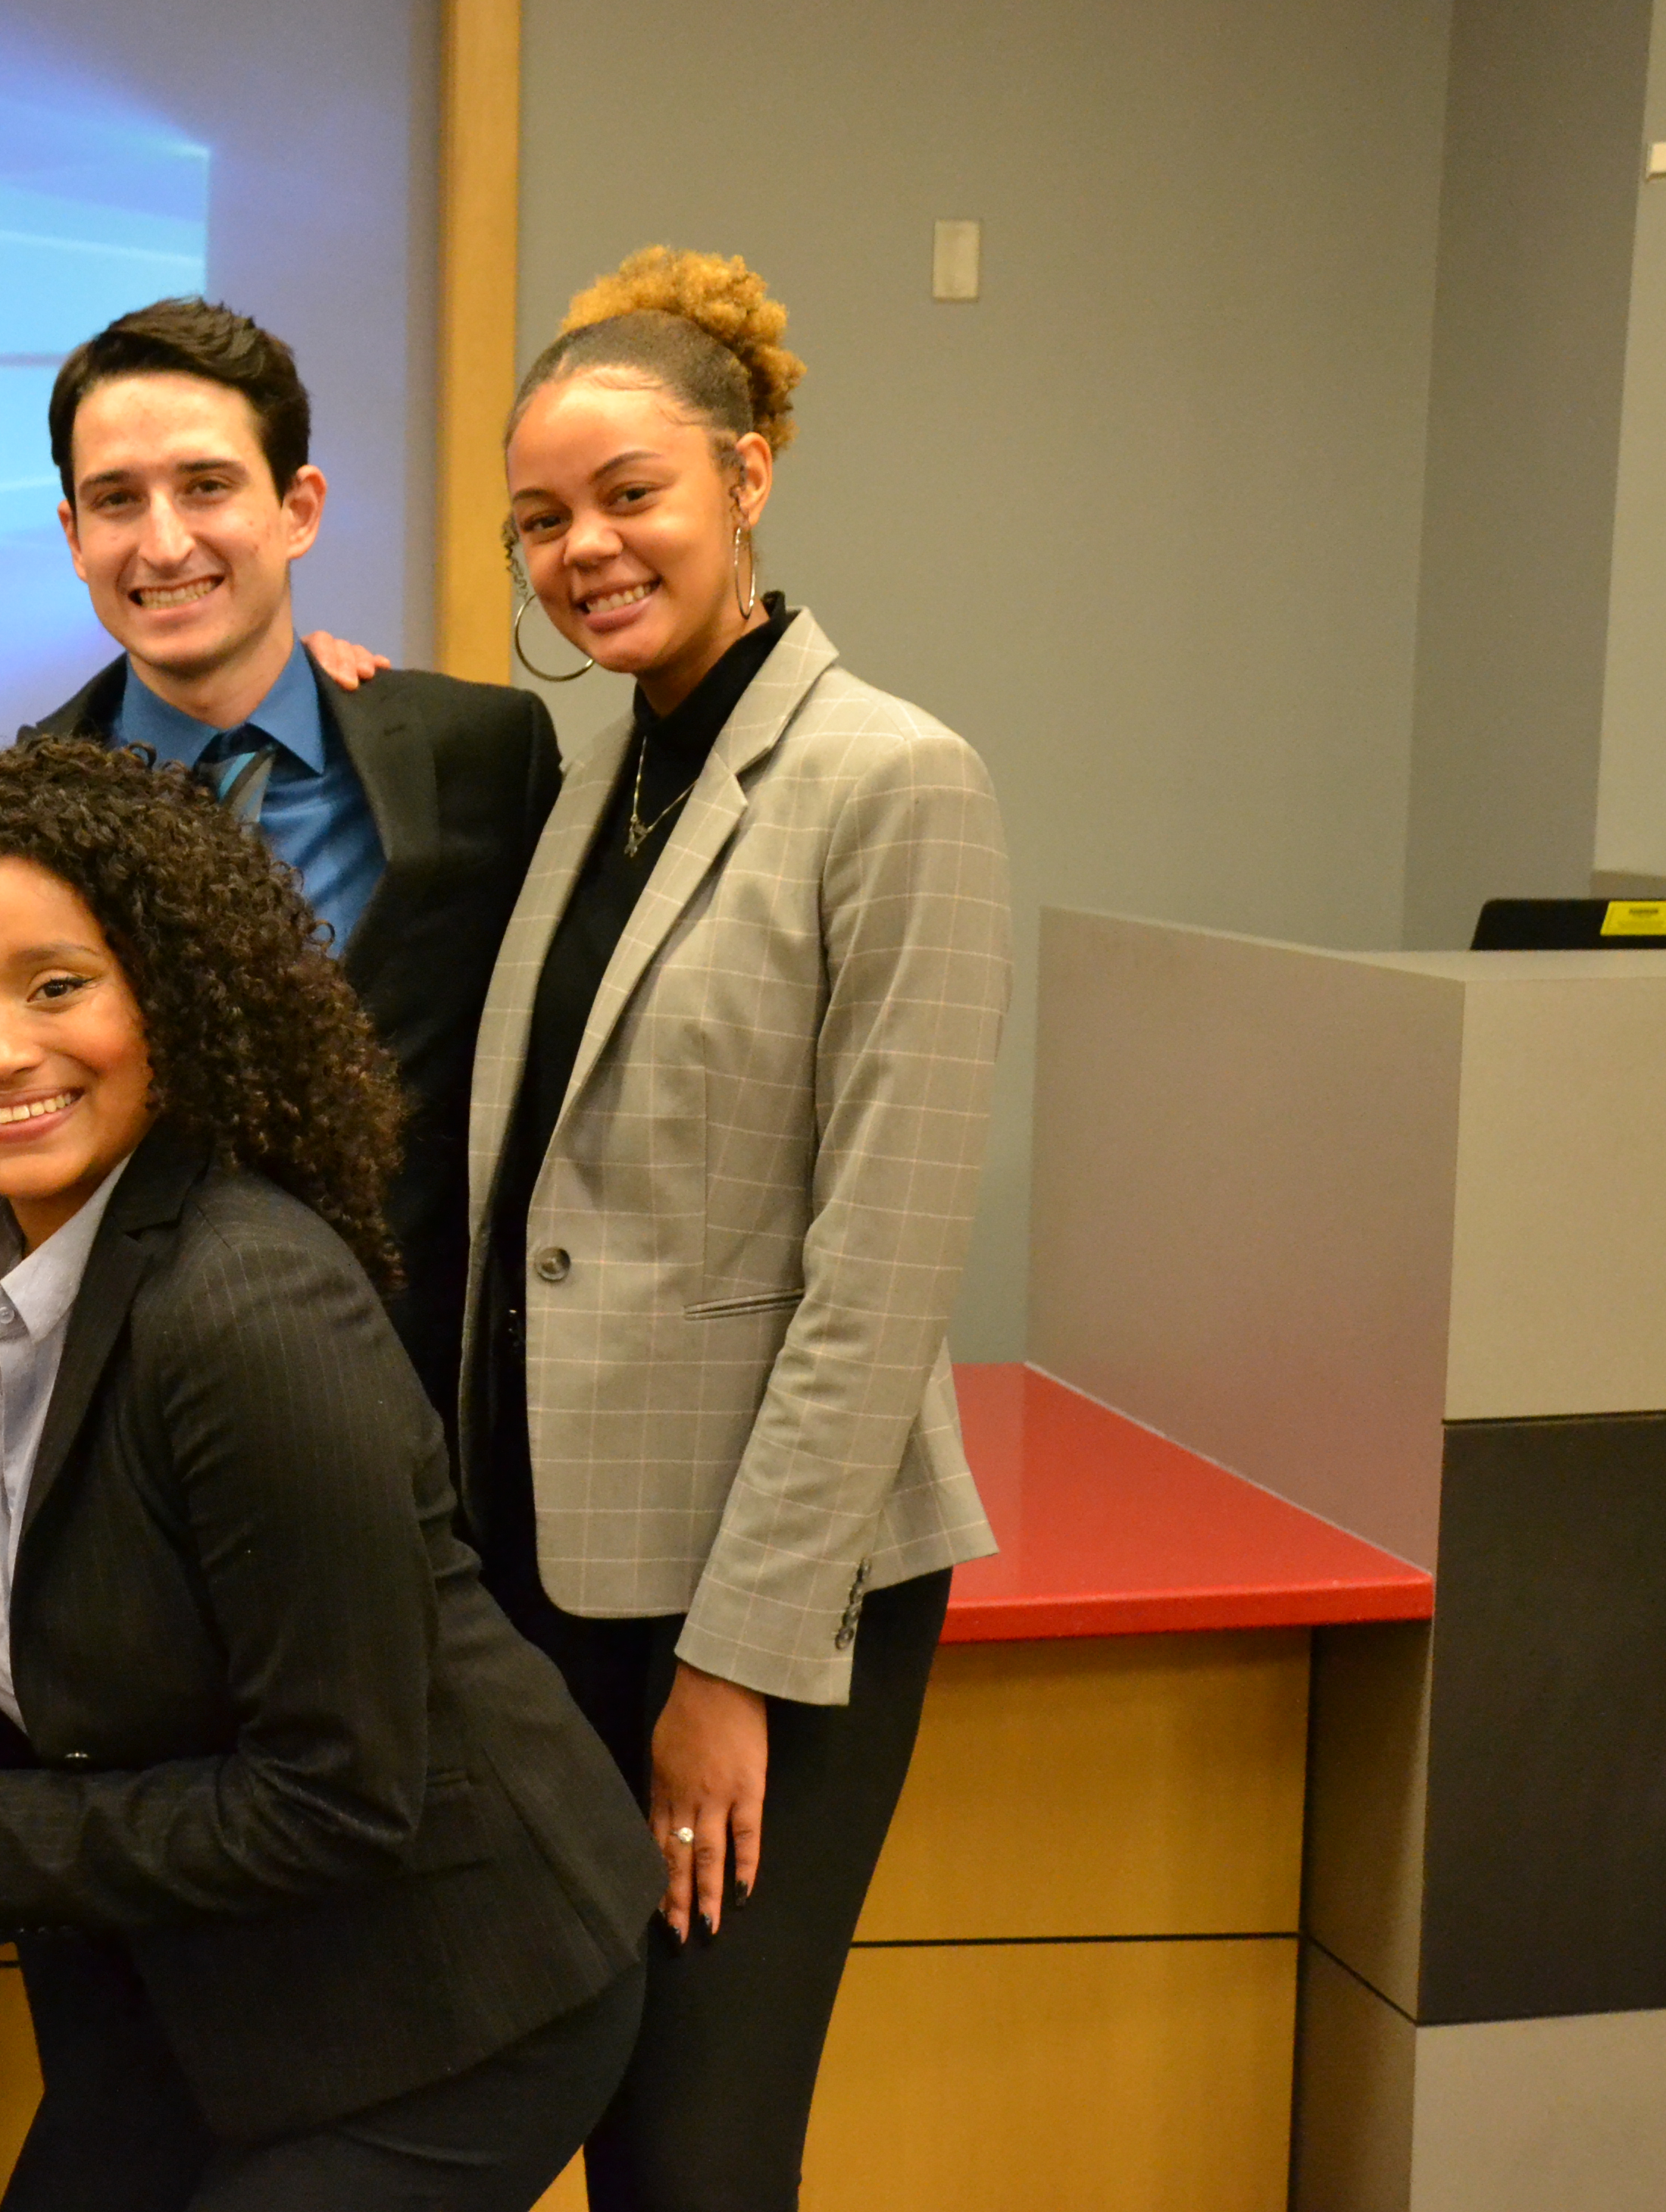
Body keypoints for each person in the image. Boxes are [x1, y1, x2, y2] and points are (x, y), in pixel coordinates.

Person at [0, 737, 661, 2212]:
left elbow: (340, 1799)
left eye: (57, 986)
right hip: (203, 1994)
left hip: (448, 1998)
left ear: (170, 992)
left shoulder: (249, 1310)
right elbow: (17, 1657)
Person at [456, 247, 1012, 2210]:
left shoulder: (891, 781)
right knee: (580, 2113)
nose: (584, 550)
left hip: (755, 1607)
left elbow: (876, 1285)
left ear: (748, 477)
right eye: (541, 519)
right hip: (554, 1580)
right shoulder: (600, 775)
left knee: (698, 2149)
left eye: (631, 496)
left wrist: (738, 1673)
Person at [27, 299, 565, 1417]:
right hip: (141, 1410)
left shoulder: (481, 759)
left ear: (298, 507)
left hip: (432, 1408)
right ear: (75, 536)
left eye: (208, 486)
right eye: (117, 501)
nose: (164, 542)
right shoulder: (27, 809)